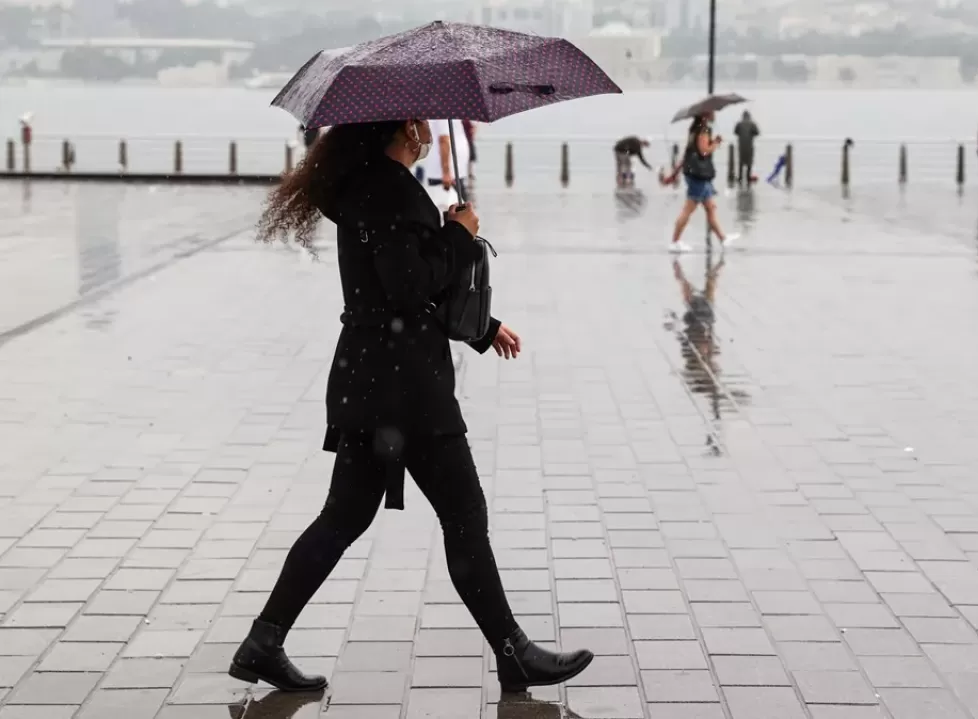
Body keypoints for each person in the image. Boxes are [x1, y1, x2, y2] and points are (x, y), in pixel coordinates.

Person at [241, 119, 594, 693]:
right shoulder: (391, 191)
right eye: (423, 120)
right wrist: (460, 234)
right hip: (407, 391)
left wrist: (483, 329)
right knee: (464, 516)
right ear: (408, 125)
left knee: (344, 517)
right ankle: (514, 653)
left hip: (370, 379)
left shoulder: (365, 187)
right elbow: (409, 288)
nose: (430, 127)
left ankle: (264, 640)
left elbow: (399, 291)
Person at [663, 113, 738, 253]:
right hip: (698, 176)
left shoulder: (694, 130)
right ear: (705, 115)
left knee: (710, 208)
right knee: (688, 210)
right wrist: (715, 143)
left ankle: (723, 239)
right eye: (712, 112)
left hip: (696, 175)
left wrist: (674, 174)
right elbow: (704, 151)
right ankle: (675, 241)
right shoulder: (703, 130)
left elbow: (688, 153)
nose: (714, 114)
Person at [413, 119, 472, 217]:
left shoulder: (450, 111)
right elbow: (443, 140)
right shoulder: (444, 113)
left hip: (453, 172)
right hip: (446, 174)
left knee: (459, 212)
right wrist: (446, 172)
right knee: (456, 214)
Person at [733, 111, 760, 185]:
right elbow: (757, 133)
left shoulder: (739, 124)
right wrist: (752, 133)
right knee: (749, 162)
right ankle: (748, 177)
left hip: (741, 146)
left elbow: (735, 132)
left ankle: (740, 177)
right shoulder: (752, 124)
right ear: (749, 116)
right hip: (749, 146)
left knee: (741, 162)